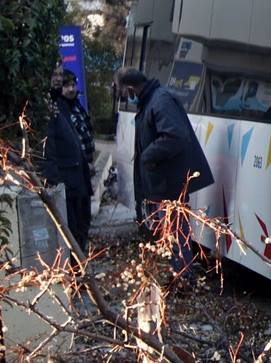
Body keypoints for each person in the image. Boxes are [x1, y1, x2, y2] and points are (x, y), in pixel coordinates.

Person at [117, 67, 214, 282]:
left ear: (131, 88)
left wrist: (147, 155)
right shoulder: (152, 100)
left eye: (123, 94)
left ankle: (183, 278)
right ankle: (177, 274)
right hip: (161, 182)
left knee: (176, 232)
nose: (125, 99)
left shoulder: (159, 101)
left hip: (168, 183)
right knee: (170, 233)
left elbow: (176, 136)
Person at [40, 68, 93, 254]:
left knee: (81, 228)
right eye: (54, 75)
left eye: (60, 76)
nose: (57, 79)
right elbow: (48, 149)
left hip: (77, 180)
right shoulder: (47, 107)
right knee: (72, 236)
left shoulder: (61, 104)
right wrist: (56, 181)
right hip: (66, 183)